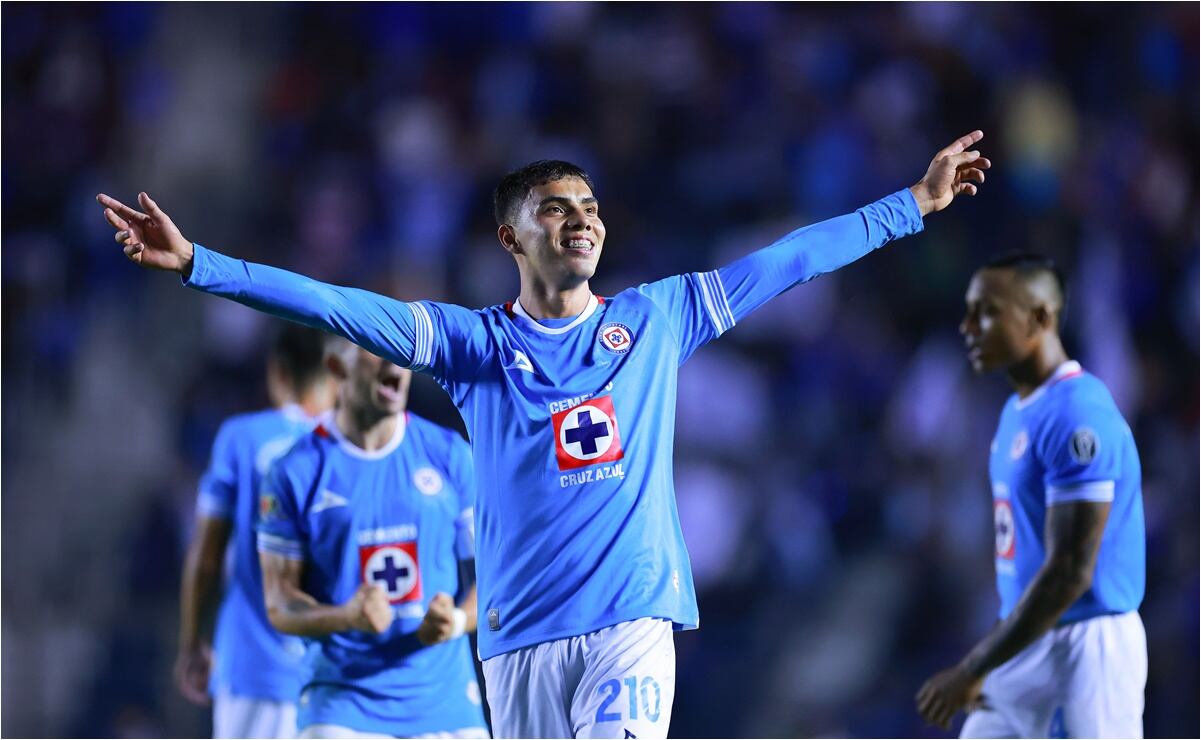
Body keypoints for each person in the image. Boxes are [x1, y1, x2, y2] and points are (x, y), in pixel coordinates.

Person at [98, 129, 989, 738]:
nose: (582, 218)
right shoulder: (472, 345)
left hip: (629, 623)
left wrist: (911, 202)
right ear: (510, 237)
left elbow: (788, 260)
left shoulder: (656, 319)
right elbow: (336, 305)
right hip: (518, 641)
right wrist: (201, 265)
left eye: (589, 206)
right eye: (556, 208)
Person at [916, 254, 1146, 738]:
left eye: (987, 312)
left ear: (1039, 318)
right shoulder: (1016, 411)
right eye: (969, 311)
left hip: (1088, 644)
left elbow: (1071, 572)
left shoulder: (1078, 415)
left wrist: (974, 665)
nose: (968, 327)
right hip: (1026, 638)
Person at [256, 337, 487, 738]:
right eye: (375, 349)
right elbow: (280, 604)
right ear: (336, 367)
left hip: (445, 704)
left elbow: (495, 576)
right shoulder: (294, 472)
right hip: (343, 704)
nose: (393, 362)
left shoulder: (450, 454)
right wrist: (346, 616)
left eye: (400, 349)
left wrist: (456, 620)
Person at [176, 324, 335, 738]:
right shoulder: (353, 445)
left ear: (278, 372)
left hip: (253, 668)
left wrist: (192, 642)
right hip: (337, 679)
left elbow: (207, 556)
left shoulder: (242, 438)